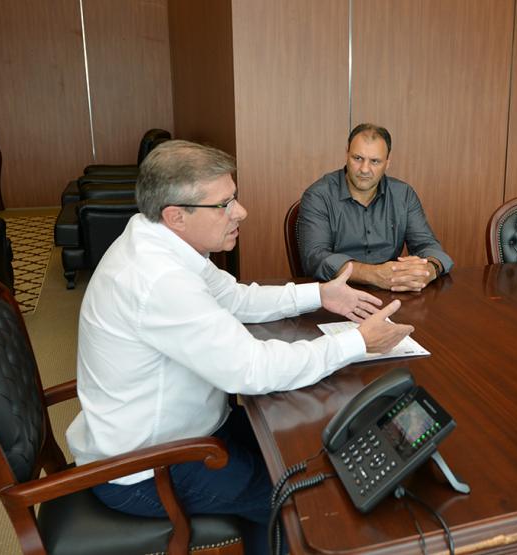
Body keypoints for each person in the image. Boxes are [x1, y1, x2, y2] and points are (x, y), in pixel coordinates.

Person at [66, 140, 414, 555]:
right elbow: (252, 370)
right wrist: (356, 342)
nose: (241, 212)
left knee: (308, 448)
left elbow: (234, 298)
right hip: (149, 467)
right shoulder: (159, 279)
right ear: (176, 215)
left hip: (181, 430)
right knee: (302, 496)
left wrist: (319, 294)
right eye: (224, 204)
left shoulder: (159, 239)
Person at [298, 123, 453, 291]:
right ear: (346, 154)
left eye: (375, 161)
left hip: (392, 291)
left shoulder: (403, 195)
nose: (364, 169)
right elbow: (315, 259)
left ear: (387, 163)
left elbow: (428, 246)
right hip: (336, 294)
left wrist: (428, 270)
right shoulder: (318, 196)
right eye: (357, 158)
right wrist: (373, 274)